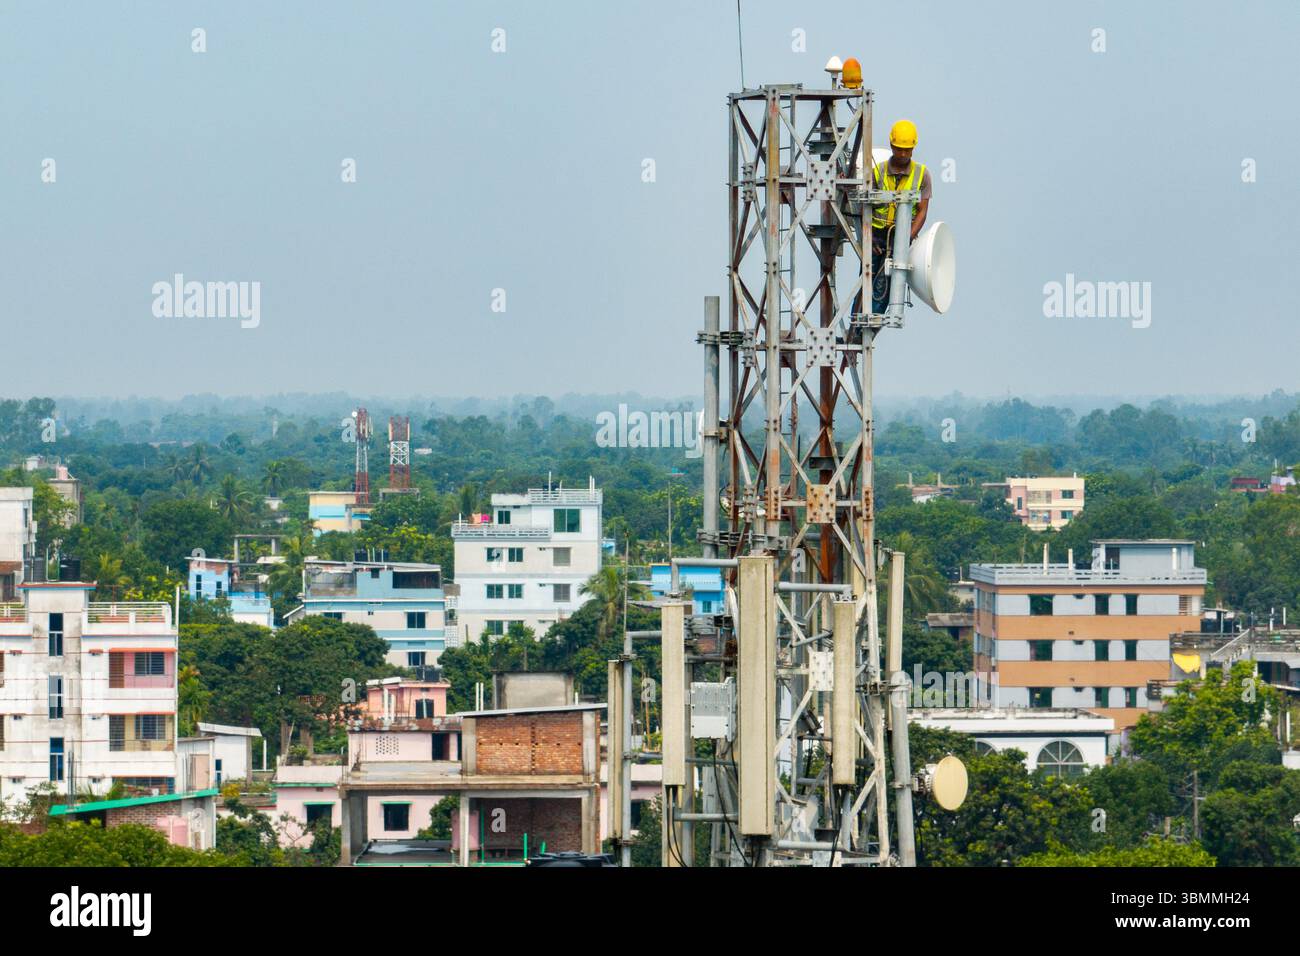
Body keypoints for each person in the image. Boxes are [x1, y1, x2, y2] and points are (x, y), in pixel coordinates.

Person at [871, 119, 931, 314]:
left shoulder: (922, 174)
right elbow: (863, 207)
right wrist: (868, 237)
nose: (903, 153)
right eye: (899, 149)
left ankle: (865, 333)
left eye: (907, 149)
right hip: (877, 237)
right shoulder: (877, 172)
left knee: (887, 288)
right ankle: (857, 331)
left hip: (901, 235)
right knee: (867, 283)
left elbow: (922, 211)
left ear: (913, 148)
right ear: (891, 146)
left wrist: (906, 238)